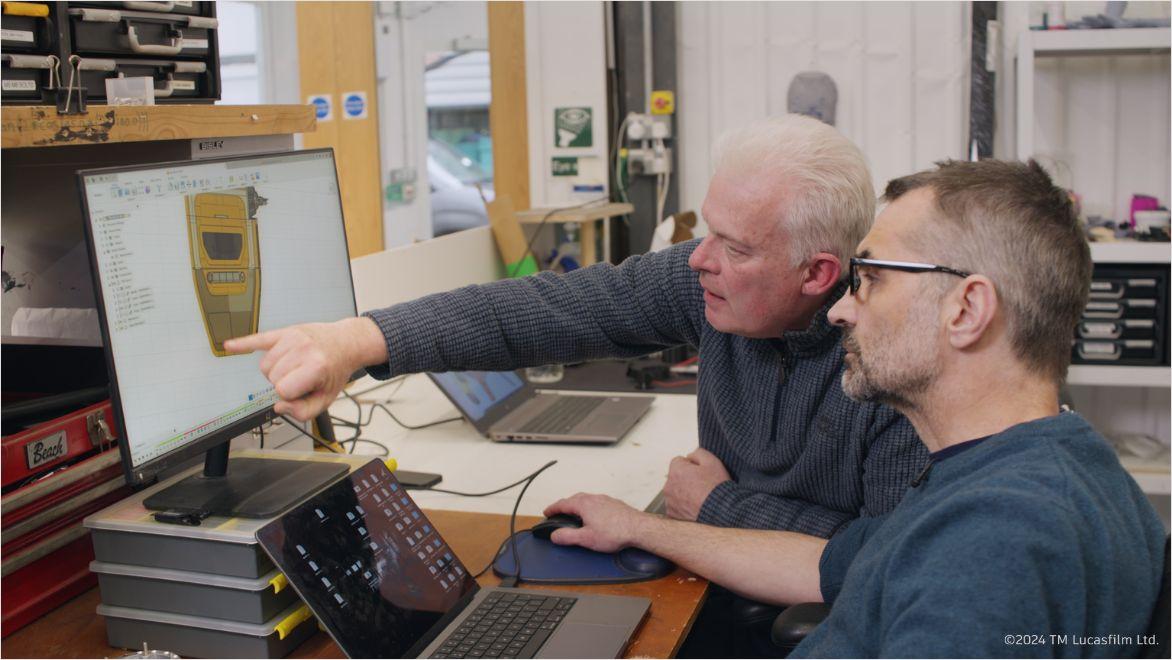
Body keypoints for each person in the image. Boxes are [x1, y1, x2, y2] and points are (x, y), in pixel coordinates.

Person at [543, 159, 1167, 657]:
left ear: (967, 310)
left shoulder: (997, 544)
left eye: (870, 278)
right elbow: (829, 564)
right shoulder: (1018, 467)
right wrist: (642, 528)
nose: (841, 308)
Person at [225, 114, 925, 535]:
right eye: (708, 231)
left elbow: (890, 556)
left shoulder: (896, 360)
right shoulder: (706, 281)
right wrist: (358, 340)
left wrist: (720, 505)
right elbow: (549, 310)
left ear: (819, 274)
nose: (700, 261)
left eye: (735, 247)